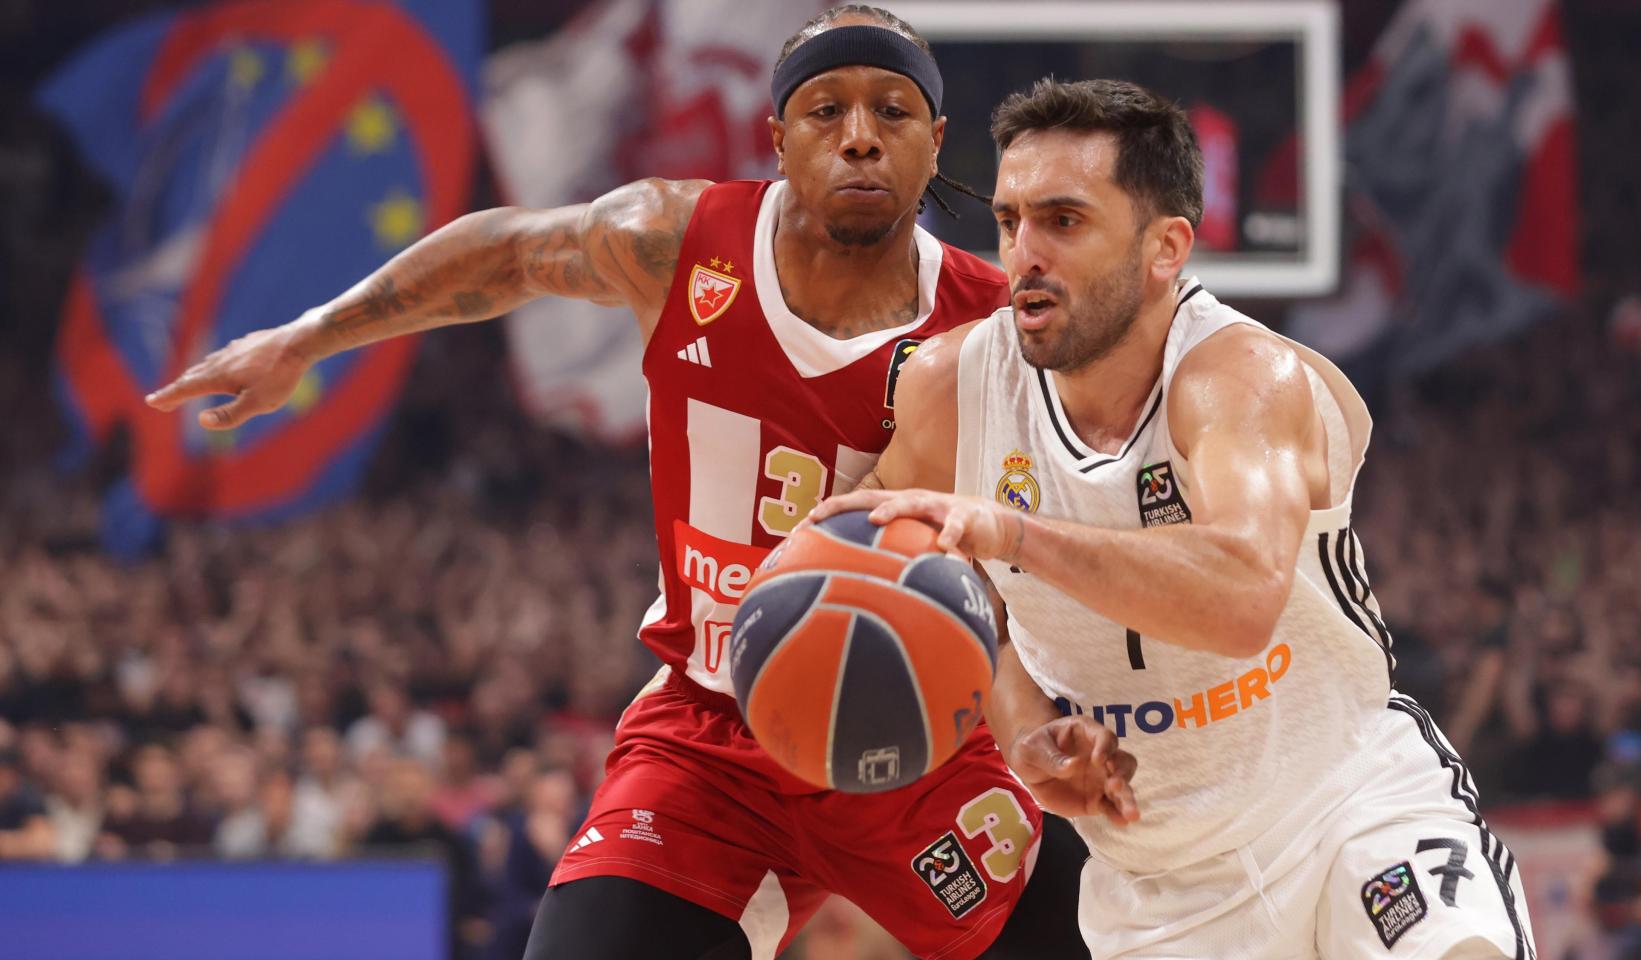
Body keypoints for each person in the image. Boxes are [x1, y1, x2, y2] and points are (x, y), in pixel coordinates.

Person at [144, 7, 1089, 958]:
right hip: (714, 734)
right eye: (824, 110)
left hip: (918, 728)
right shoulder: (676, 237)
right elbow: (509, 251)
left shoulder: (998, 333)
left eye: (891, 110)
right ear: (776, 138)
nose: (859, 136)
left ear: (935, 140)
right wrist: (307, 338)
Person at [813, 78, 1537, 958]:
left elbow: (1242, 595)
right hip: (1158, 890)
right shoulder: (949, 389)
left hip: (1348, 809)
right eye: (1009, 221)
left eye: (1063, 221)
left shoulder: (1241, 379)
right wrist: (1024, 726)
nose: (1024, 254)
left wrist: (1013, 532)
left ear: (1166, 248)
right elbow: (925, 583)